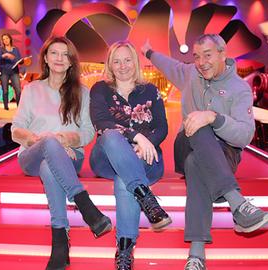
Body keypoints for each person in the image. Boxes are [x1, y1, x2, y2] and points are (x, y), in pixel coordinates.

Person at [141, 34, 268, 270]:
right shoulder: (191, 74)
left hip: (224, 155)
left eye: (208, 55)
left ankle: (196, 254)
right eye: (196, 56)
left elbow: (244, 136)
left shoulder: (240, 89)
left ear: (223, 54)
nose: (201, 62)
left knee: (197, 163)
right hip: (187, 143)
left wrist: (215, 118)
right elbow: (169, 64)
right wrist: (149, 53)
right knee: (198, 126)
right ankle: (238, 204)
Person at [11, 36, 112, 270]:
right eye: (53, 53)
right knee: (48, 145)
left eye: (64, 54)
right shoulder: (32, 89)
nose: (59, 58)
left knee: (51, 164)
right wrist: (42, 140)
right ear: (45, 58)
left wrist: (64, 139)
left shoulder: (82, 93)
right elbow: (15, 130)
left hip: (70, 157)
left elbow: (87, 133)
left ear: (70, 61)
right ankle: (85, 205)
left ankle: (60, 244)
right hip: (32, 154)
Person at [89, 41, 171, 270]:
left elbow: (162, 127)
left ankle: (125, 250)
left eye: (127, 60)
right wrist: (138, 137)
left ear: (135, 62)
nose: (122, 65)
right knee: (111, 136)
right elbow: (102, 123)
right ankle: (148, 200)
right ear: (110, 64)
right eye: (117, 61)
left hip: (146, 159)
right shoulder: (100, 89)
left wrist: (146, 143)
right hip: (106, 158)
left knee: (123, 179)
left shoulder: (151, 91)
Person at [0, 33, 22, 110]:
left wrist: (20, 60)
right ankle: (6, 107)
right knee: (5, 90)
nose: (5, 40)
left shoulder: (15, 49)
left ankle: (19, 108)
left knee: (18, 90)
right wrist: (4, 55)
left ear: (10, 39)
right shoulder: (1, 49)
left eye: (7, 38)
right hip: (4, 72)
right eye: (4, 39)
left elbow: (19, 60)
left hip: (14, 72)